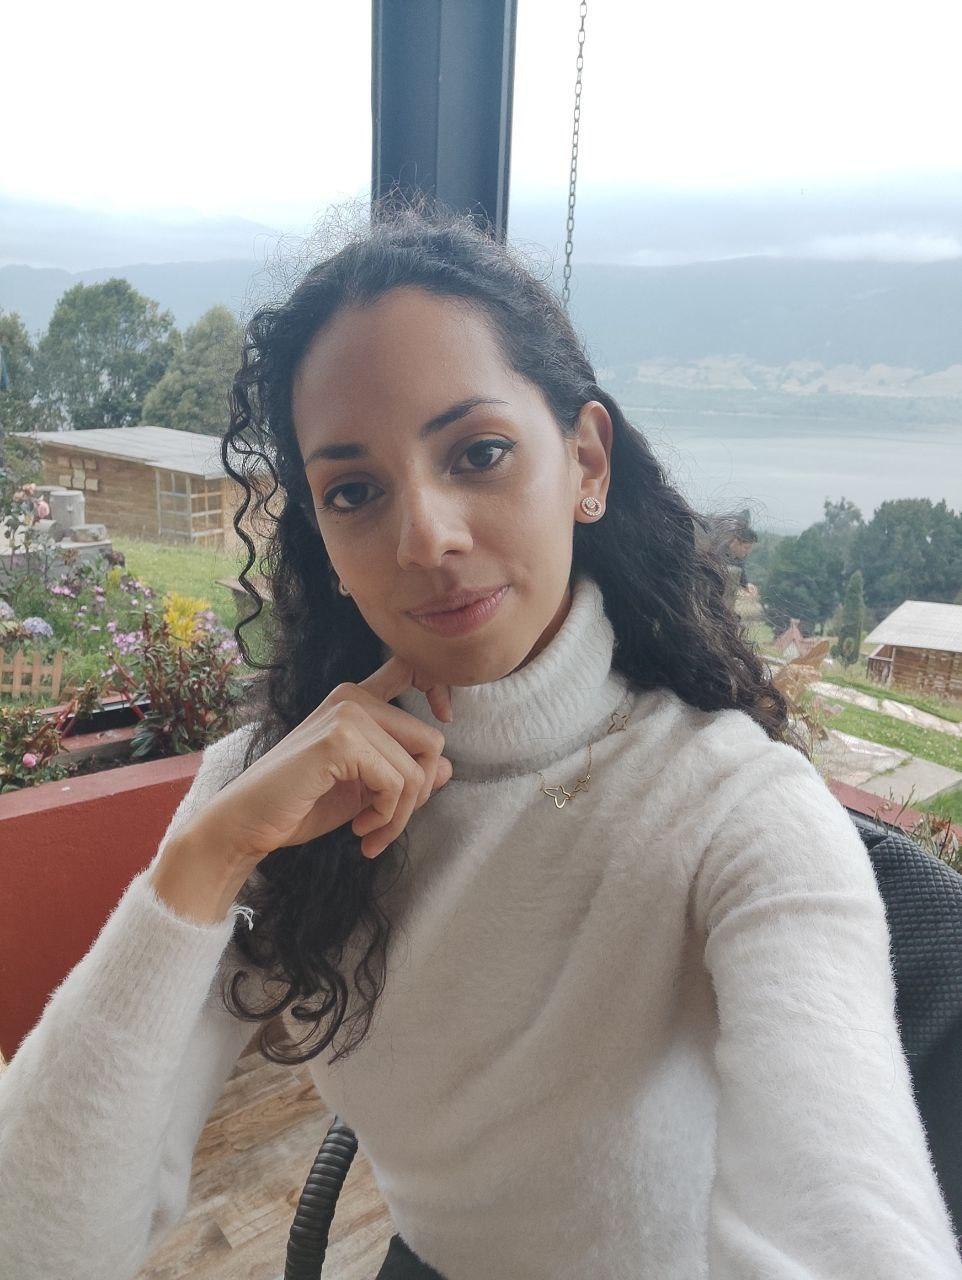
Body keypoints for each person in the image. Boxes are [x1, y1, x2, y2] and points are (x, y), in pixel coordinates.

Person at [1, 198, 960, 1280]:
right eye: (354, 490)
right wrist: (205, 859)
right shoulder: (277, 788)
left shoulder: (734, 810)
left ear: (586, 462)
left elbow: (845, 1230)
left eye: (479, 452)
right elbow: (34, 1244)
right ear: (320, 534)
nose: (425, 537)